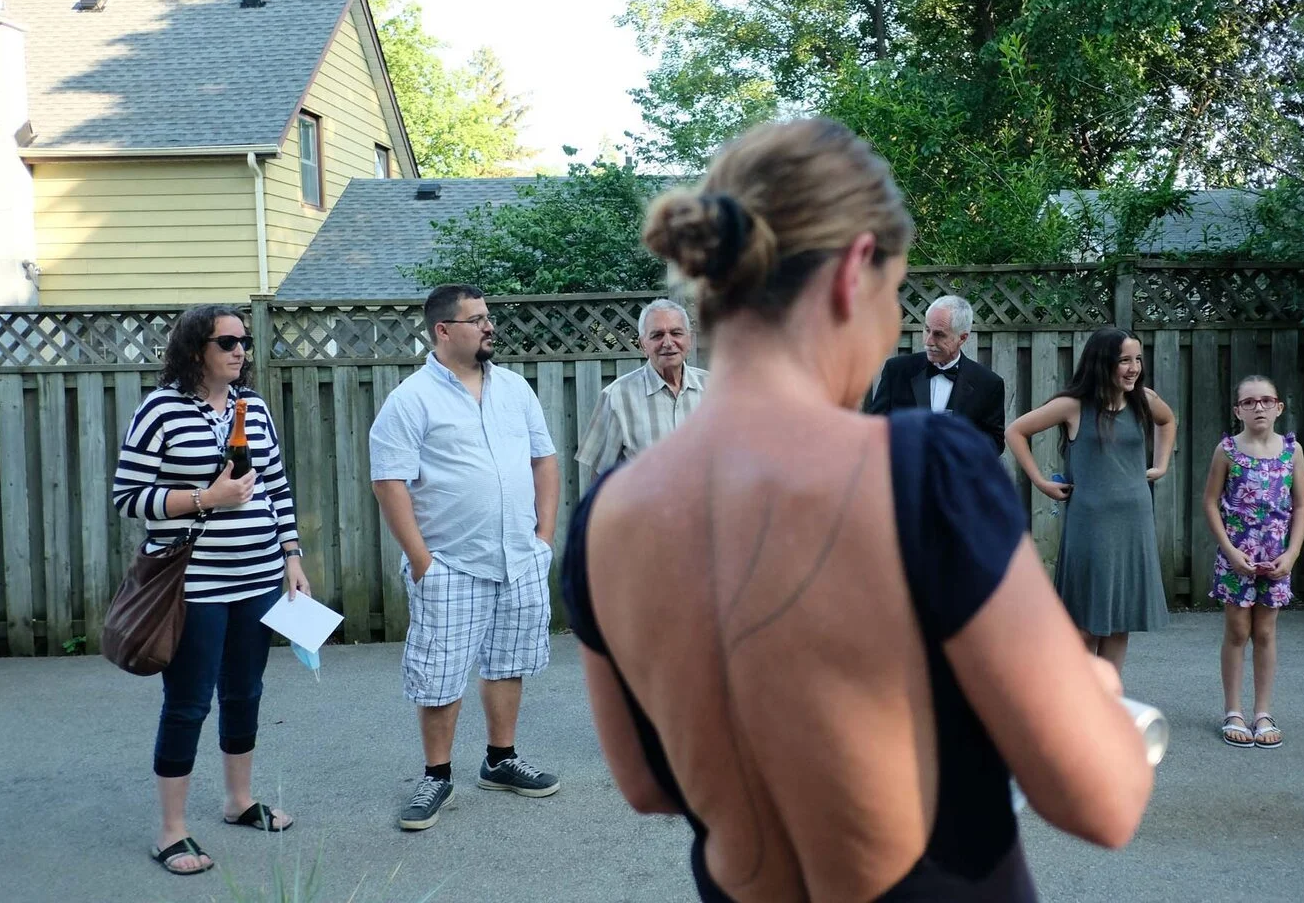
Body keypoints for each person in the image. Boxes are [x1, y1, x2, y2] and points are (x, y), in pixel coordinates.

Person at [561, 118, 1155, 902]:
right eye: (894, 296)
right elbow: (1100, 801)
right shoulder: (925, 470)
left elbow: (645, 783)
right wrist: (1094, 693)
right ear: (853, 272)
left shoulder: (603, 521)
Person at [112, 305, 310, 876]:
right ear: (195, 347)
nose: (239, 350)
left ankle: (238, 801)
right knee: (190, 702)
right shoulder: (160, 411)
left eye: (244, 341)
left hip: (259, 577)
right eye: (226, 341)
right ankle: (171, 831)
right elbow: (129, 497)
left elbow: (276, 487)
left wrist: (291, 557)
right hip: (194, 584)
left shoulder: (254, 408)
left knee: (245, 692)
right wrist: (206, 499)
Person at [369, 284, 562, 833]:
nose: (488, 326)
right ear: (444, 330)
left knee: (509, 661)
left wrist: (543, 537)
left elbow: (544, 460)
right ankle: (437, 775)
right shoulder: (411, 399)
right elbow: (388, 481)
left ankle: (501, 761)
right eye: (476, 319)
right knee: (440, 673)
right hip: (450, 563)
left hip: (519, 558)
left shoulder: (515, 389)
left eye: (487, 317)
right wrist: (421, 560)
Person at [1004, 327, 1176, 674]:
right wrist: (1040, 482)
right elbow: (1015, 431)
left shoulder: (1144, 399)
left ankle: (1109, 698)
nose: (1134, 368)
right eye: (1124, 360)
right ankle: (1080, 699)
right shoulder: (1073, 406)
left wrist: (1161, 465)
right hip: (1091, 525)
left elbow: (1168, 420)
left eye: (1137, 359)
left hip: (1135, 521)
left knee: (1120, 622)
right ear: (1102, 362)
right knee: (1083, 626)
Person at [1203, 375, 1304, 749]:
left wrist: (1292, 554)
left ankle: (1263, 712)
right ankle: (1233, 711)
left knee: (1265, 633)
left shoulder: (1292, 451)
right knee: (1237, 631)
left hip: (1277, 560)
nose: (1258, 407)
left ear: (1279, 407)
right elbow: (1210, 503)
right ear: (1238, 411)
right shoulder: (1227, 451)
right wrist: (1230, 552)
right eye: (1249, 402)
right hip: (1237, 558)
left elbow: (1302, 505)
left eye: (1266, 400)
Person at [576, 297, 709, 483]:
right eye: (657, 335)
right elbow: (601, 478)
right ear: (642, 345)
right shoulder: (616, 397)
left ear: (690, 340)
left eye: (676, 333)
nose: (668, 342)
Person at [867, 295, 1007, 455]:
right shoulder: (897, 370)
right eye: (927, 330)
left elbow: (995, 443)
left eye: (939, 335)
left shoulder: (988, 384)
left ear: (962, 338)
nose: (929, 341)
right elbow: (875, 425)